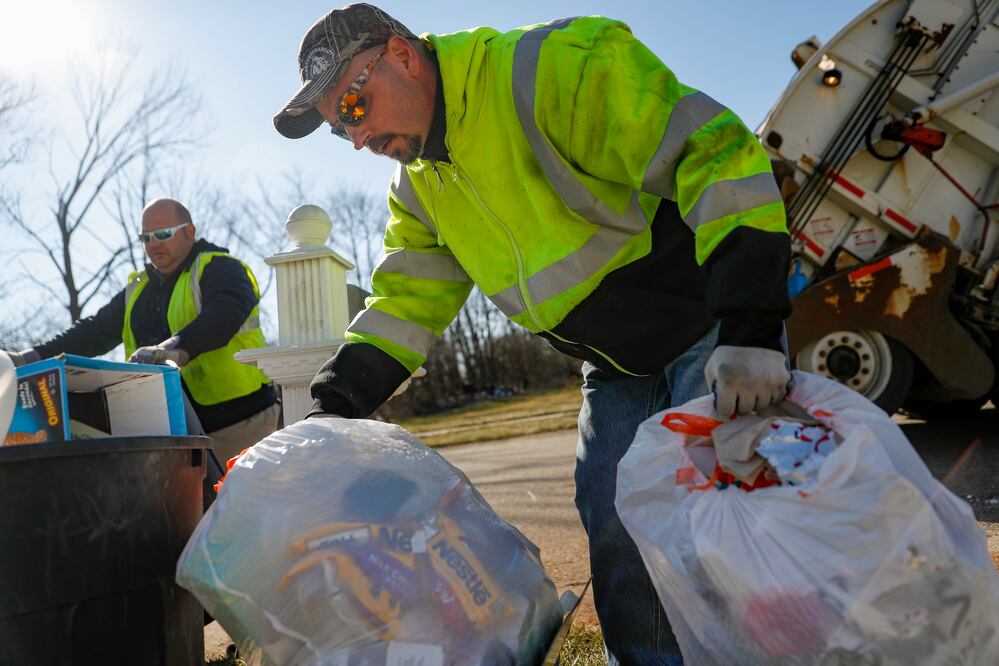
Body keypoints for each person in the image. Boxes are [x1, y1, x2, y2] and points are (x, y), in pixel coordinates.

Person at [273, 5, 792, 663]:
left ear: (401, 55)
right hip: (614, 364)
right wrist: (332, 409)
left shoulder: (549, 67)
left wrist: (748, 324)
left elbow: (713, 155)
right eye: (335, 127)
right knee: (613, 521)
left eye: (352, 106)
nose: (355, 137)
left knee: (721, 523)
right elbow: (407, 298)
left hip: (709, 327)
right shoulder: (418, 187)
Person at [3, 198, 279, 463]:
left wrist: (172, 350)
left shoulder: (221, 268)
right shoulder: (139, 288)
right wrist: (26, 358)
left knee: (242, 508)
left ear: (190, 232)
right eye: (145, 238)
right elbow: (91, 333)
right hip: (171, 432)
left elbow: (223, 316)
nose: (153, 245)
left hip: (240, 424)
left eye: (163, 234)